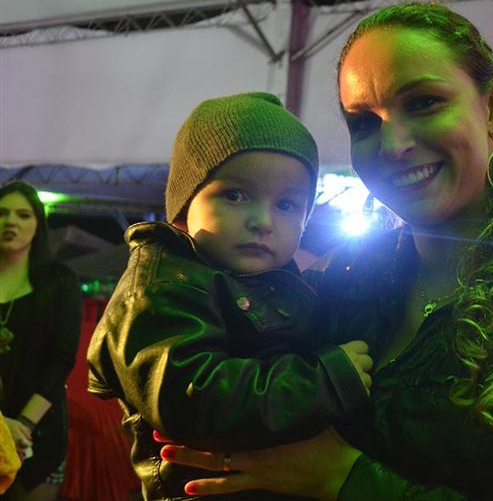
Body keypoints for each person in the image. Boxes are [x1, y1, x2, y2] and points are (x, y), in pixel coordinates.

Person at [159, 3, 493, 500]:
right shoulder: (343, 282)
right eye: (364, 123)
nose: (394, 145)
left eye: (423, 103)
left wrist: (346, 480)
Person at [86, 92, 373, 501]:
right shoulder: (162, 286)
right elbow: (192, 399)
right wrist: (325, 381)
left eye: (287, 204)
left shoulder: (273, 282)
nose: (262, 221)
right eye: (236, 195)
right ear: (185, 205)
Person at [0, 181, 82, 501]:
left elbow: (62, 359)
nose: (11, 222)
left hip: (38, 430)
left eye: (23, 215)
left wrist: (21, 424)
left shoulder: (59, 281)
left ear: (38, 226)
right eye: (2, 213)